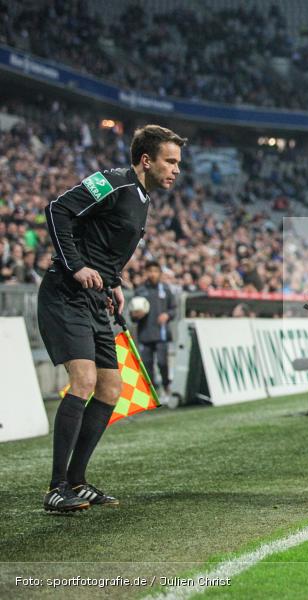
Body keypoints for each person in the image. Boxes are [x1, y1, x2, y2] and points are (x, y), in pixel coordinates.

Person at [38, 125, 186, 512]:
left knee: (109, 389)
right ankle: (56, 488)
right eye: (170, 161)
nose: (176, 170)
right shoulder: (111, 183)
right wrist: (76, 266)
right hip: (65, 294)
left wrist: (114, 282)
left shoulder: (142, 198)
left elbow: (104, 243)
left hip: (97, 299)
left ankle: (77, 480)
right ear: (146, 159)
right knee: (84, 380)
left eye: (178, 163)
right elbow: (58, 210)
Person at [132, 260, 177, 404]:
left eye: (155, 271)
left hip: (162, 334)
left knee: (163, 363)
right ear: (146, 273)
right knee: (147, 366)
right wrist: (136, 315)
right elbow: (132, 315)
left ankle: (166, 387)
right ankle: (153, 394)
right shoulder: (140, 291)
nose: (152, 274)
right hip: (145, 335)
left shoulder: (165, 289)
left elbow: (173, 309)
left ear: (160, 273)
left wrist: (167, 315)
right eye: (150, 271)